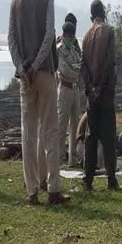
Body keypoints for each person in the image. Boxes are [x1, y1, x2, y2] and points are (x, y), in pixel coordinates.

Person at [8, 0, 69, 206]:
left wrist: (21, 67)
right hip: (43, 73)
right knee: (50, 131)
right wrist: (35, 65)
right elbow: (49, 36)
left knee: (28, 134)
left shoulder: (15, 0)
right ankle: (53, 188)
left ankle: (32, 191)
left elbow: (11, 39)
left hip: (25, 77)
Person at [80, 0, 120, 192]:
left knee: (91, 136)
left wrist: (91, 87)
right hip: (105, 93)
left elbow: (83, 66)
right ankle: (111, 179)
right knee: (109, 136)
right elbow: (109, 61)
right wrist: (101, 86)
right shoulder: (109, 31)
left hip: (92, 95)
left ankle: (88, 179)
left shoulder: (86, 36)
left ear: (91, 16)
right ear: (103, 13)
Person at [49, 12, 83, 169]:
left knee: (75, 125)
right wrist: (74, 70)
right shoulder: (59, 48)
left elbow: (80, 65)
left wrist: (75, 70)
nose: (71, 38)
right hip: (63, 88)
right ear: (64, 35)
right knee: (61, 124)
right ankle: (58, 157)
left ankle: (72, 158)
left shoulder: (75, 47)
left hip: (75, 89)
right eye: (69, 35)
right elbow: (65, 70)